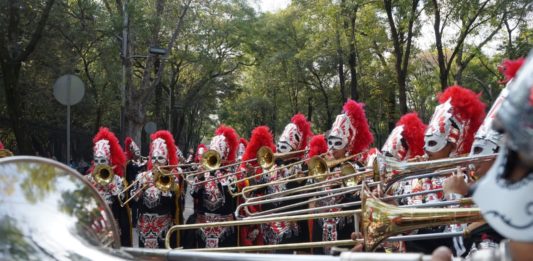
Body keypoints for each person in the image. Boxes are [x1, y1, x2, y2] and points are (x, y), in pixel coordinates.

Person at [314, 99, 373, 255]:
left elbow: (360, 202)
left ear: (348, 146)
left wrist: (343, 187)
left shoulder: (357, 167)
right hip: (321, 228)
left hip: (345, 230)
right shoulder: (323, 165)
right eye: (330, 142)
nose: (332, 148)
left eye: (337, 143)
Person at [189, 125, 239, 248]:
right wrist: (200, 178)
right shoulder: (203, 174)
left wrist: (218, 174)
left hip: (224, 228)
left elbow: (232, 195)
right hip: (203, 225)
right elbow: (193, 193)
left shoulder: (231, 175)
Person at [130, 130, 180, 248]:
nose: (156, 161)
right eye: (154, 158)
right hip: (144, 226)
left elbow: (176, 202)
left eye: (160, 158)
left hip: (163, 225)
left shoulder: (172, 177)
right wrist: (141, 189)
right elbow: (133, 200)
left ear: (167, 159)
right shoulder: (141, 176)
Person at [85, 127, 131, 247]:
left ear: (110, 161)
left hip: (111, 225)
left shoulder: (118, 180)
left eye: (103, 160)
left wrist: (112, 186)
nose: (100, 163)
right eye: (97, 160)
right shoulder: (88, 178)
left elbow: (123, 203)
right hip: (93, 224)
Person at [124, 137, 147, 230]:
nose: (137, 155)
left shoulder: (141, 162)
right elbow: (134, 170)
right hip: (133, 185)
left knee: (140, 203)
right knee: (134, 205)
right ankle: (134, 222)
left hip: (140, 184)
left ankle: (140, 220)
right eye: (136, 153)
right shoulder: (130, 163)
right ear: (132, 154)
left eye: (138, 152)